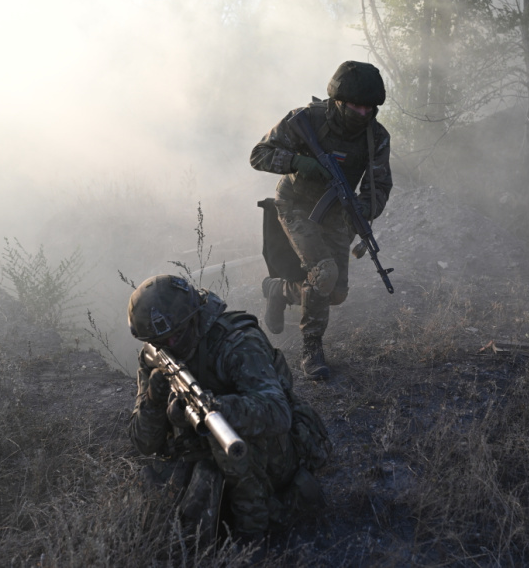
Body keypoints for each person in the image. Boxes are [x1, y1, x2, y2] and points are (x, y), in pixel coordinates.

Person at [127, 274, 330, 538]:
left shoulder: (237, 341)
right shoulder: (156, 353)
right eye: (159, 341)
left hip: (262, 445)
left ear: (194, 318)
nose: (170, 346)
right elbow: (143, 443)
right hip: (204, 448)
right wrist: (155, 400)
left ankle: (255, 532)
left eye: (175, 337)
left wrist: (220, 407)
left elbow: (278, 413)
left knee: (222, 454)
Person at [250, 60, 393, 380]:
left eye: (368, 108)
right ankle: (312, 348)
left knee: (336, 293)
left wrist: (364, 211)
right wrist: (299, 162)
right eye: (355, 106)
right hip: (295, 204)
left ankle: (279, 290)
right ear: (338, 101)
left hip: (335, 211)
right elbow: (259, 154)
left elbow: (379, 185)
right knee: (324, 272)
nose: (362, 114)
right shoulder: (307, 120)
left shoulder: (375, 137)